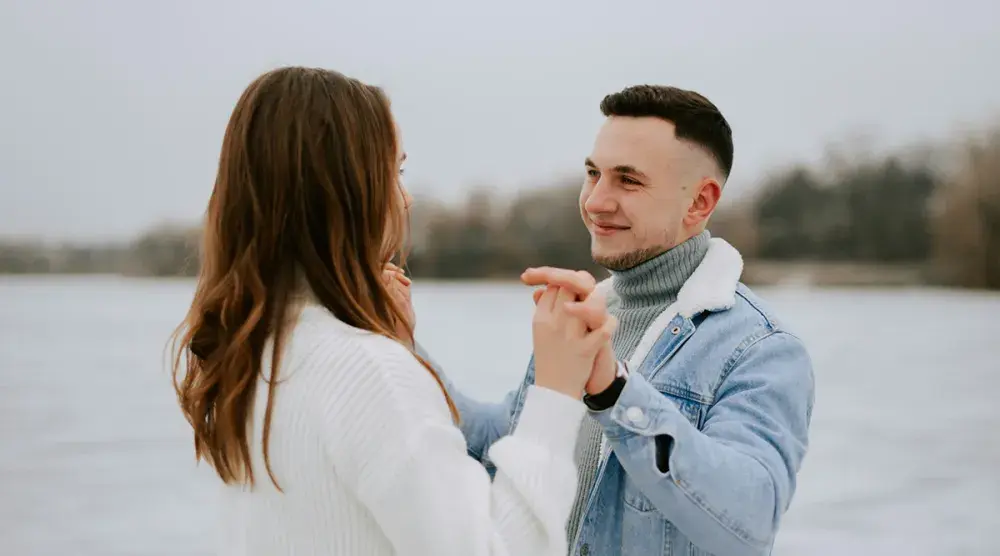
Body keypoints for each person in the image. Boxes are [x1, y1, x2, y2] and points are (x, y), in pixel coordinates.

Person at [168, 66, 616, 556]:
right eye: (395, 172)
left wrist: (396, 345)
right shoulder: (367, 371)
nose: (406, 197)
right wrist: (555, 393)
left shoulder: (254, 350)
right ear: (342, 191)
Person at [413, 85, 816, 556]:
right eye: (593, 174)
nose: (596, 201)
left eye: (628, 180)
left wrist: (614, 390)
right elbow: (500, 440)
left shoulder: (762, 350)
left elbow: (749, 522)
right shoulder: (586, 314)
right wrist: (400, 340)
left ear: (700, 203)